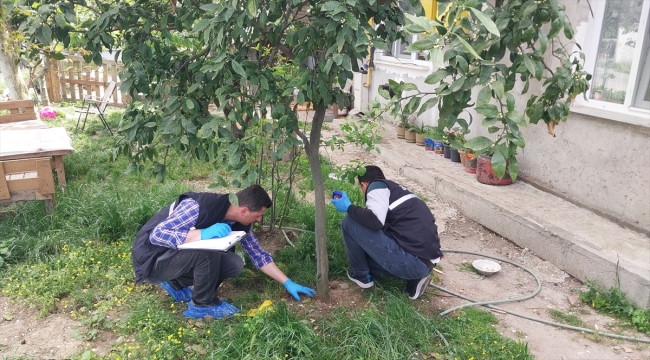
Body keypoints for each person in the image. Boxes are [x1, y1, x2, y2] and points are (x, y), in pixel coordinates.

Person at [132, 185, 315, 319]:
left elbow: (258, 255)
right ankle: (201, 304)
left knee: (234, 263)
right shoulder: (197, 207)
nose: (259, 220)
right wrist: (201, 234)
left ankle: (176, 284)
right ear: (243, 210)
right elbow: (157, 235)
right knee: (208, 251)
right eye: (258, 215)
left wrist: (288, 282)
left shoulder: (240, 222)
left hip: (175, 261)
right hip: (151, 262)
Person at [331, 165, 442, 300]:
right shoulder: (397, 190)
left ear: (364, 185)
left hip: (411, 261)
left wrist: (349, 207)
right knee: (364, 255)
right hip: (425, 263)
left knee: (349, 222)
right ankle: (414, 280)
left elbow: (376, 221)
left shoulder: (376, 186)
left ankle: (360, 275)